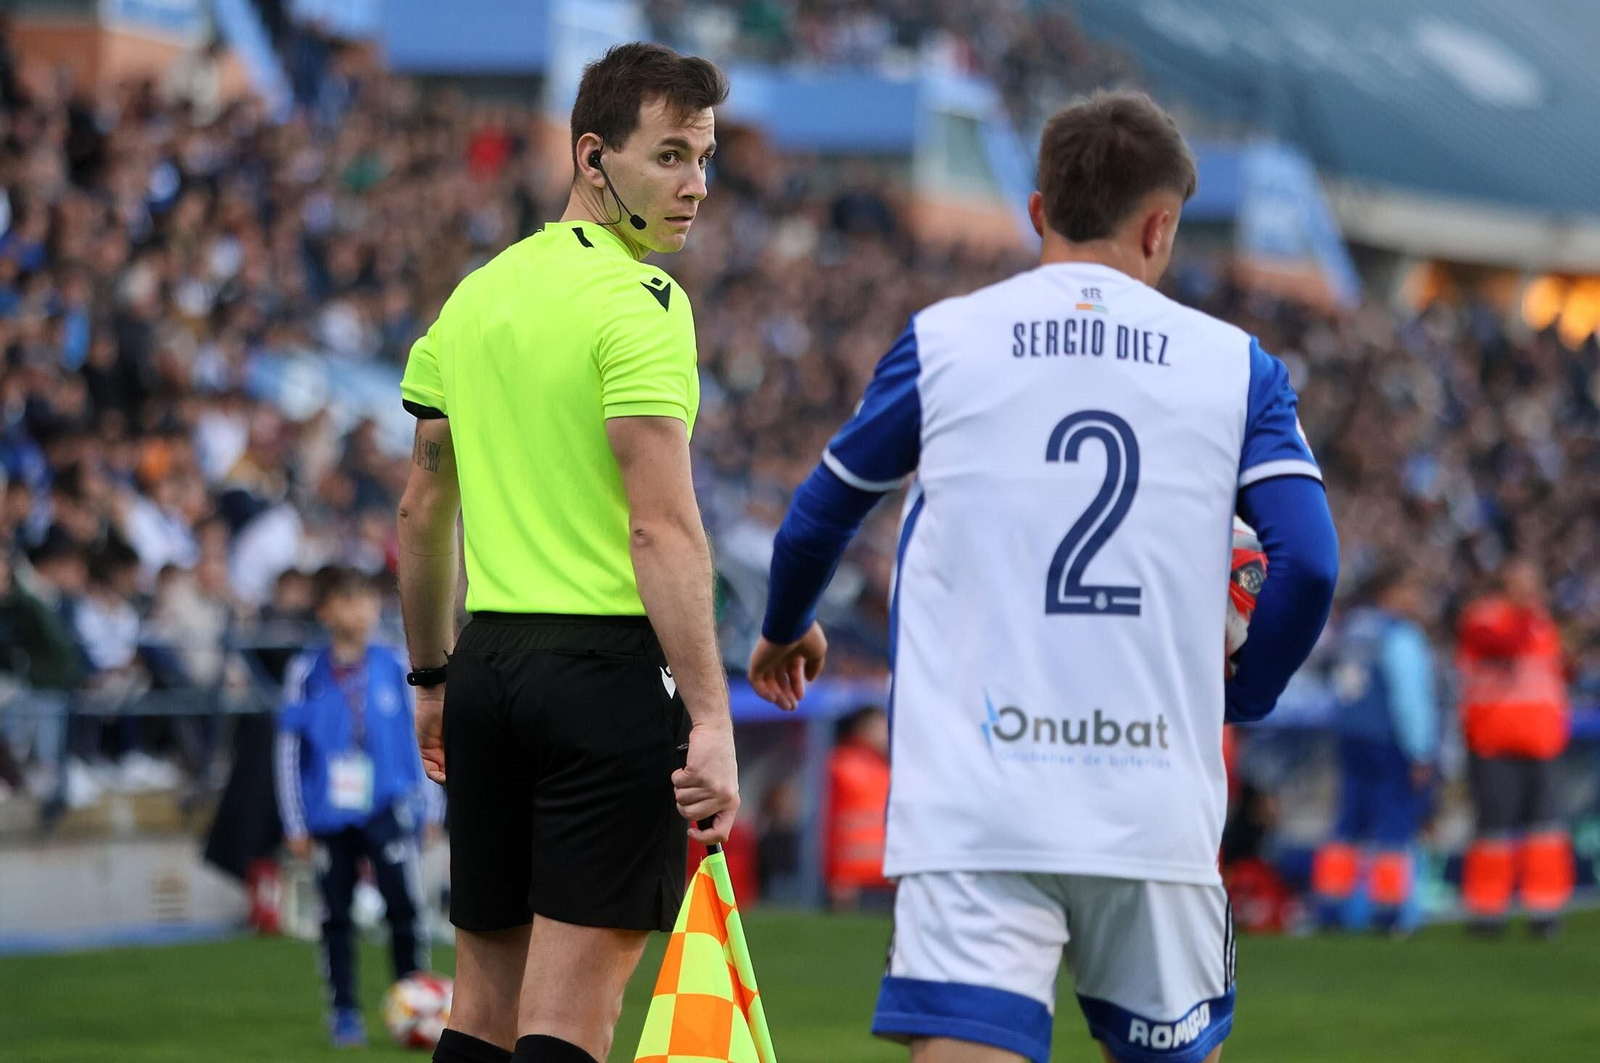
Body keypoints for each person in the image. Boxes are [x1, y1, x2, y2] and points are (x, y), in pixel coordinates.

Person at [749, 90, 1339, 1063]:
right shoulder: (1236, 366)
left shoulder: (944, 341)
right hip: (1153, 795)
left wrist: (783, 623)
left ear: (1036, 212)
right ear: (1159, 226)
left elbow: (820, 510)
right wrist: (1244, 694)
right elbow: (1308, 563)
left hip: (982, 796)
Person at [395, 43, 739, 1063]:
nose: (695, 186)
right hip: (599, 678)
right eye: (669, 156)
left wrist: (430, 677)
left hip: (488, 673)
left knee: (479, 1012)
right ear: (593, 157)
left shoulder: (472, 298)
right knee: (569, 1025)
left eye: (704, 158)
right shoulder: (642, 304)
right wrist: (712, 717)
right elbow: (660, 527)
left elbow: (421, 508)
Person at [273, 566, 439, 1048]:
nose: (362, 611)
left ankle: (416, 998)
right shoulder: (305, 673)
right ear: (326, 611)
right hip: (328, 815)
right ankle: (344, 1011)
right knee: (335, 916)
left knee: (403, 909)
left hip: (387, 807)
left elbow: (419, 736)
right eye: (349, 601)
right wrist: (294, 821)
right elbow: (287, 748)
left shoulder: (393, 664)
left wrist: (430, 804)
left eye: (368, 601)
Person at [1311, 565, 1439, 935]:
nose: (1417, 600)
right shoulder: (1399, 635)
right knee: (1392, 829)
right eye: (1411, 591)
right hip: (1389, 741)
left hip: (1352, 738)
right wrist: (1421, 751)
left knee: (1348, 824)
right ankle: (1389, 913)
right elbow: (1410, 699)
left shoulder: (1353, 629)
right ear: (1391, 592)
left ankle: (1330, 907)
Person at [1455, 557, 1573, 937]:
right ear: (1506, 581)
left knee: (1544, 832)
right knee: (1493, 832)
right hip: (1495, 745)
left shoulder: (1541, 622)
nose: (1531, 589)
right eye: (1523, 580)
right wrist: (1528, 616)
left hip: (1539, 744)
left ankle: (1545, 911)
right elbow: (1502, 645)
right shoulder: (1488, 617)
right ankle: (1488, 914)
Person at [826, 705, 892, 911]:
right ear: (863, 729)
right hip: (852, 879)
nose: (886, 734)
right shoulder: (840, 764)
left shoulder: (886, 767)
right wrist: (837, 874)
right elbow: (828, 821)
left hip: (886, 874)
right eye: (880, 728)